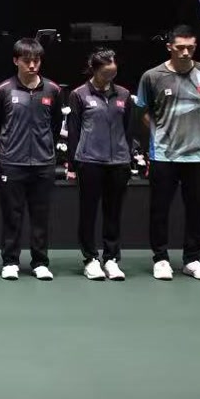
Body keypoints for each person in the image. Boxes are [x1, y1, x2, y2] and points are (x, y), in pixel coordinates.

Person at [135, 24, 200, 282]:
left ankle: (192, 260)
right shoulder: (152, 76)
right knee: (159, 210)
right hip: (164, 155)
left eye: (190, 48)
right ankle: (161, 259)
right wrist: (161, 134)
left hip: (198, 155)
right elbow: (143, 112)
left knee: (196, 210)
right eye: (180, 47)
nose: (185, 52)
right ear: (169, 47)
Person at [0, 38, 64, 281]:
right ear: (16, 61)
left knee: (40, 216)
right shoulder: (3, 90)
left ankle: (40, 262)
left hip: (43, 163)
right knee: (12, 215)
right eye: (27, 61)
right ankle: (10, 261)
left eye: (36, 61)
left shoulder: (53, 90)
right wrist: (10, 147)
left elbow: (55, 125)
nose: (32, 65)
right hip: (12, 163)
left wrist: (44, 147)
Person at [62, 49, 139, 281]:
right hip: (89, 162)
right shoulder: (78, 95)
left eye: (113, 73)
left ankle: (111, 258)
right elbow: (74, 131)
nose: (109, 78)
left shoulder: (124, 94)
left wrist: (127, 158)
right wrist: (72, 165)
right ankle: (90, 259)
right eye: (106, 73)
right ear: (94, 70)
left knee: (113, 212)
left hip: (118, 163)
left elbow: (128, 130)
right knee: (88, 212)